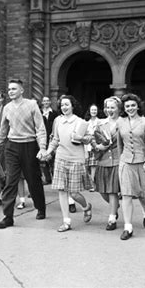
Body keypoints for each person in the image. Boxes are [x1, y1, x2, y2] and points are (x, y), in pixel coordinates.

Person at [0, 79, 47, 229]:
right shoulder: (7, 108)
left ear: (21, 90)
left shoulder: (31, 105)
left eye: (13, 89)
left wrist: (42, 147)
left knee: (33, 179)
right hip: (12, 146)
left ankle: (41, 207)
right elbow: (3, 130)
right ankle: (8, 217)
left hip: (29, 145)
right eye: (9, 89)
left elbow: (40, 128)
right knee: (11, 180)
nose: (10, 91)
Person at [44, 95, 93, 232]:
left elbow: (89, 139)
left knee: (74, 193)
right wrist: (48, 152)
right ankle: (66, 222)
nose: (64, 107)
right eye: (62, 105)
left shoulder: (80, 122)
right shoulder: (57, 121)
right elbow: (55, 139)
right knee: (62, 191)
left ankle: (86, 207)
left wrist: (81, 138)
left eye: (67, 104)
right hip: (60, 158)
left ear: (73, 106)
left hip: (76, 159)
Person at [117, 93, 145, 240]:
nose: (130, 108)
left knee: (143, 194)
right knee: (126, 195)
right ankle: (128, 227)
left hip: (142, 162)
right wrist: (120, 160)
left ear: (138, 106)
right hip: (126, 162)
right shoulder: (120, 122)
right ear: (124, 108)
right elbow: (119, 143)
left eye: (133, 105)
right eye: (127, 106)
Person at [93, 97, 122, 231]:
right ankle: (114, 207)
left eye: (112, 107)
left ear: (118, 108)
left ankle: (111, 218)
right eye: (107, 108)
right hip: (103, 159)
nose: (110, 110)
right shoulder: (100, 124)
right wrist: (98, 146)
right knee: (102, 190)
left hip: (117, 160)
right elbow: (94, 140)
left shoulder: (123, 123)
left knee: (112, 190)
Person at [84, 104, 104, 191]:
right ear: (89, 111)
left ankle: (94, 185)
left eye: (95, 110)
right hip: (86, 146)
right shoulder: (85, 122)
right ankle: (89, 184)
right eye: (92, 110)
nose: (93, 112)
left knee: (93, 167)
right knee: (86, 166)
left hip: (95, 146)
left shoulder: (100, 122)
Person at [40, 96, 58, 185]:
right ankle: (47, 178)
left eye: (47, 100)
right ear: (42, 102)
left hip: (52, 138)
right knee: (43, 159)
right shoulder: (39, 113)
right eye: (44, 101)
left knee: (52, 159)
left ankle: (55, 178)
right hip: (42, 138)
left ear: (50, 102)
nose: (46, 102)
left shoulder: (55, 113)